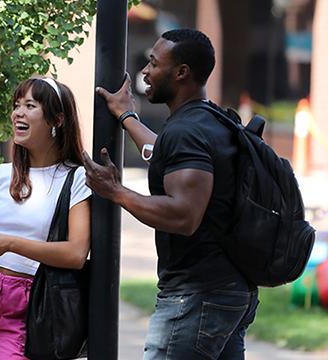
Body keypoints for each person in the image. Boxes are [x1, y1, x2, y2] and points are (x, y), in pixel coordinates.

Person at [82, 29, 259, 359]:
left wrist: (115, 191)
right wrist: (127, 116)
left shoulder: (186, 131)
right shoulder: (215, 121)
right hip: (232, 290)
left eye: (153, 63)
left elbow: (184, 215)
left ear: (181, 73)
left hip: (196, 297)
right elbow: (167, 155)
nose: (145, 72)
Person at [0, 77, 91, 359]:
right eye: (16, 106)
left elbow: (76, 253)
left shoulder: (76, 179)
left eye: (30, 105)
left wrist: (10, 244)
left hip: (28, 302)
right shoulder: (3, 174)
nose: (18, 113)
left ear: (57, 119)